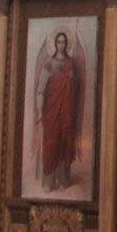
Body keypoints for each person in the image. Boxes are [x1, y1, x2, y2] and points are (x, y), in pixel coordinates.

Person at [36, 31, 80, 192]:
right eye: (59, 42)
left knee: (65, 142)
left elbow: (76, 88)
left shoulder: (71, 63)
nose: (61, 45)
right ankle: (49, 181)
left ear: (67, 44)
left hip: (66, 110)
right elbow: (41, 89)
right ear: (55, 44)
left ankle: (63, 179)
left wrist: (72, 80)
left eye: (63, 42)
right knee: (52, 143)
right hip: (51, 110)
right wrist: (40, 111)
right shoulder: (49, 63)